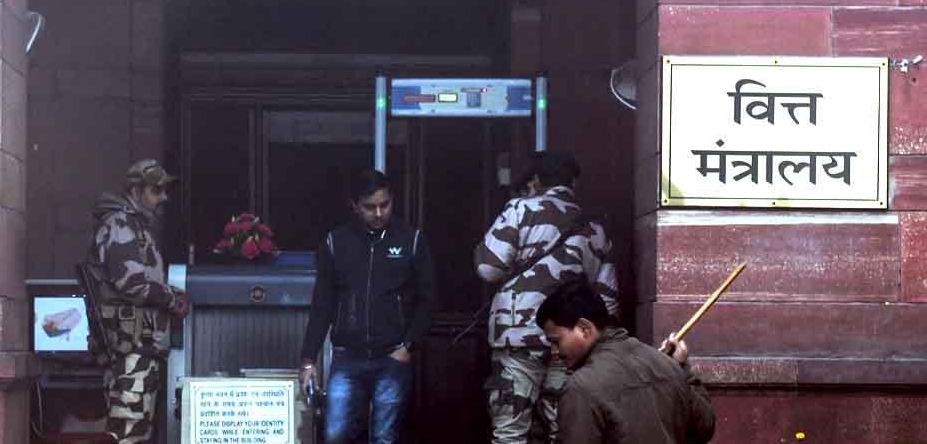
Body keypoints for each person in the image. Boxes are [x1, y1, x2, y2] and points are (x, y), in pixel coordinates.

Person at [473, 151, 620, 444]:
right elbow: (608, 300)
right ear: (573, 183)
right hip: (571, 342)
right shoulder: (595, 227)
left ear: (536, 180)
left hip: (517, 338)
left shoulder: (519, 209)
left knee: (510, 433)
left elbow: (488, 269)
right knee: (563, 430)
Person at [299, 169, 438, 444]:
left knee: (385, 438)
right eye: (369, 207)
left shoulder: (411, 240)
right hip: (347, 357)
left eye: (384, 205)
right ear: (354, 205)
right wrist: (308, 360)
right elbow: (322, 304)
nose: (378, 213)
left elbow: (428, 299)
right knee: (335, 435)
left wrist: (408, 345)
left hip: (392, 356)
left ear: (392, 199)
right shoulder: (335, 243)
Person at [84, 158, 189, 444]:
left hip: (138, 347)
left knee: (136, 430)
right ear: (135, 190)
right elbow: (131, 284)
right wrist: (173, 299)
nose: (163, 197)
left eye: (164, 191)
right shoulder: (120, 225)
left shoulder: (134, 226)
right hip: (130, 349)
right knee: (129, 433)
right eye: (156, 190)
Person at [536, 279, 716, 444]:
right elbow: (705, 427)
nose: (554, 351)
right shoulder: (668, 365)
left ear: (584, 328)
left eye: (556, 341)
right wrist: (683, 369)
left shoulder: (581, 387)